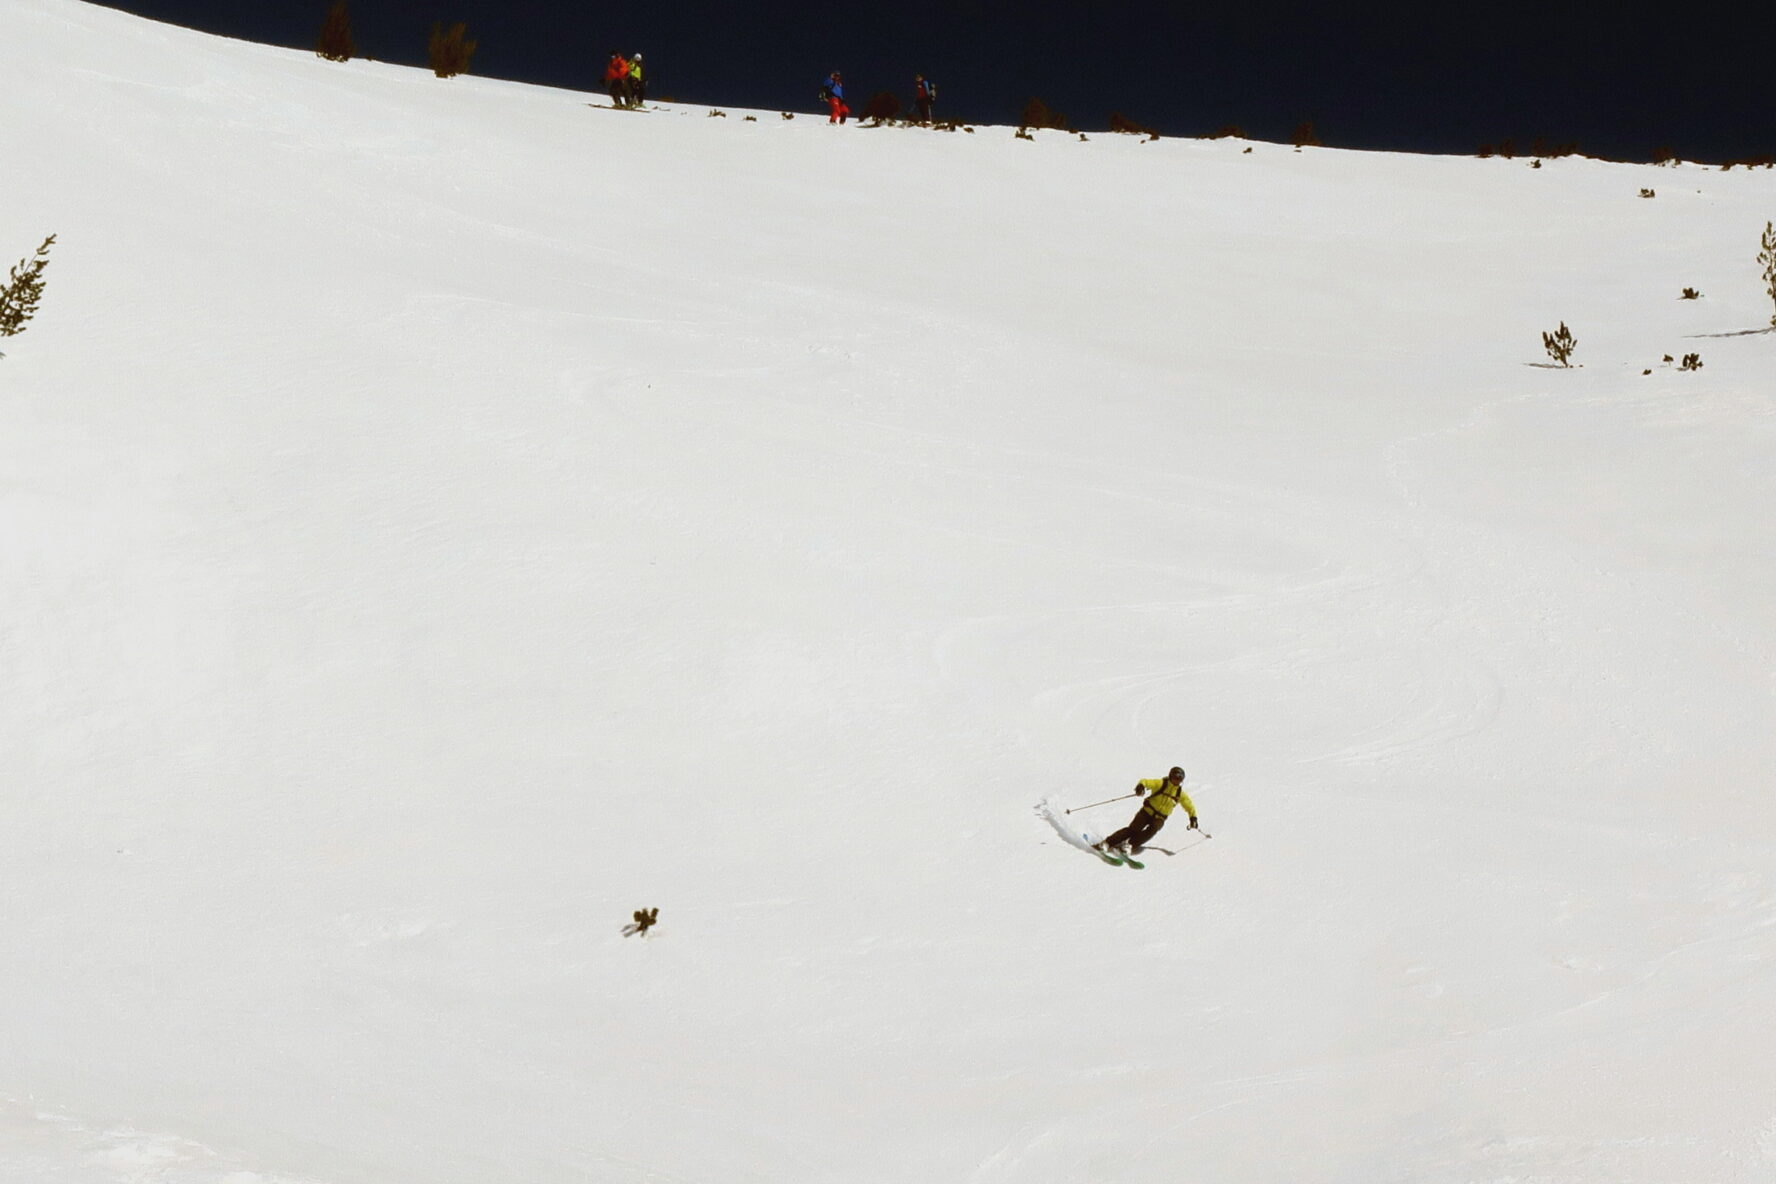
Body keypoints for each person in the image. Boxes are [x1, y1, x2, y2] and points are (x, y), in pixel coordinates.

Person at [1095, 767, 1198, 856]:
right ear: (1171, 776)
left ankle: (1130, 845)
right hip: (1146, 812)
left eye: (1180, 780)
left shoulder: (1179, 793)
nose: (1177, 781)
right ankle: (1107, 843)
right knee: (1133, 829)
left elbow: (1188, 805)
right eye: (1176, 778)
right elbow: (1145, 781)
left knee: (1152, 830)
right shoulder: (1161, 783)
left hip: (1160, 818)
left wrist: (1193, 818)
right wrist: (1141, 786)